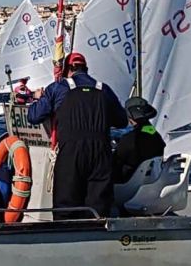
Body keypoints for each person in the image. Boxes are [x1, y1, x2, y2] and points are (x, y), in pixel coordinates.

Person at [27, 52, 128, 220]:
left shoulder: (58, 88)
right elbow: (122, 121)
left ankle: (68, 239)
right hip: (101, 153)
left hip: (71, 152)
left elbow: (34, 116)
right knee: (99, 208)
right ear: (86, 69)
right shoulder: (103, 89)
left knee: (66, 207)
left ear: (67, 70)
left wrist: (38, 99)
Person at [112, 97, 166, 184]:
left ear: (130, 116)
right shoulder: (155, 137)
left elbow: (115, 161)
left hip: (125, 185)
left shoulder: (129, 140)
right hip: (148, 182)